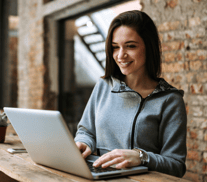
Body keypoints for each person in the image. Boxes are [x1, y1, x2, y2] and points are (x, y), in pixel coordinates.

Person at [74, 10, 187, 178]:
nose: (120, 55)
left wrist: (142, 157)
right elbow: (86, 130)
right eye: (115, 47)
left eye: (131, 46)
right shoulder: (103, 86)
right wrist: (84, 142)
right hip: (98, 176)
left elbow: (176, 165)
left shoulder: (170, 100)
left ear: (149, 47)